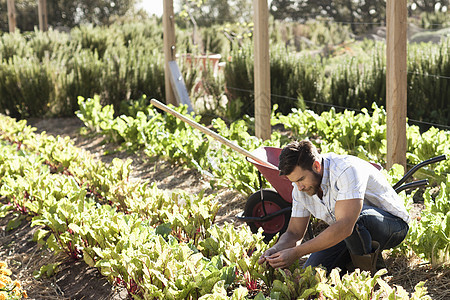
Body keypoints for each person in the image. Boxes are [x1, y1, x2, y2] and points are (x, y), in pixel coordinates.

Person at [257, 140, 410, 274]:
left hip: (392, 226)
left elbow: (345, 226)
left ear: (316, 166)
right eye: (294, 182)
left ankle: (371, 276)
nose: (299, 187)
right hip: (348, 234)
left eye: (301, 179)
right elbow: (294, 233)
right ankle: (352, 263)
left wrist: (297, 252)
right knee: (312, 272)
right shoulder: (299, 188)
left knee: (356, 220)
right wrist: (277, 249)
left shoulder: (346, 170)